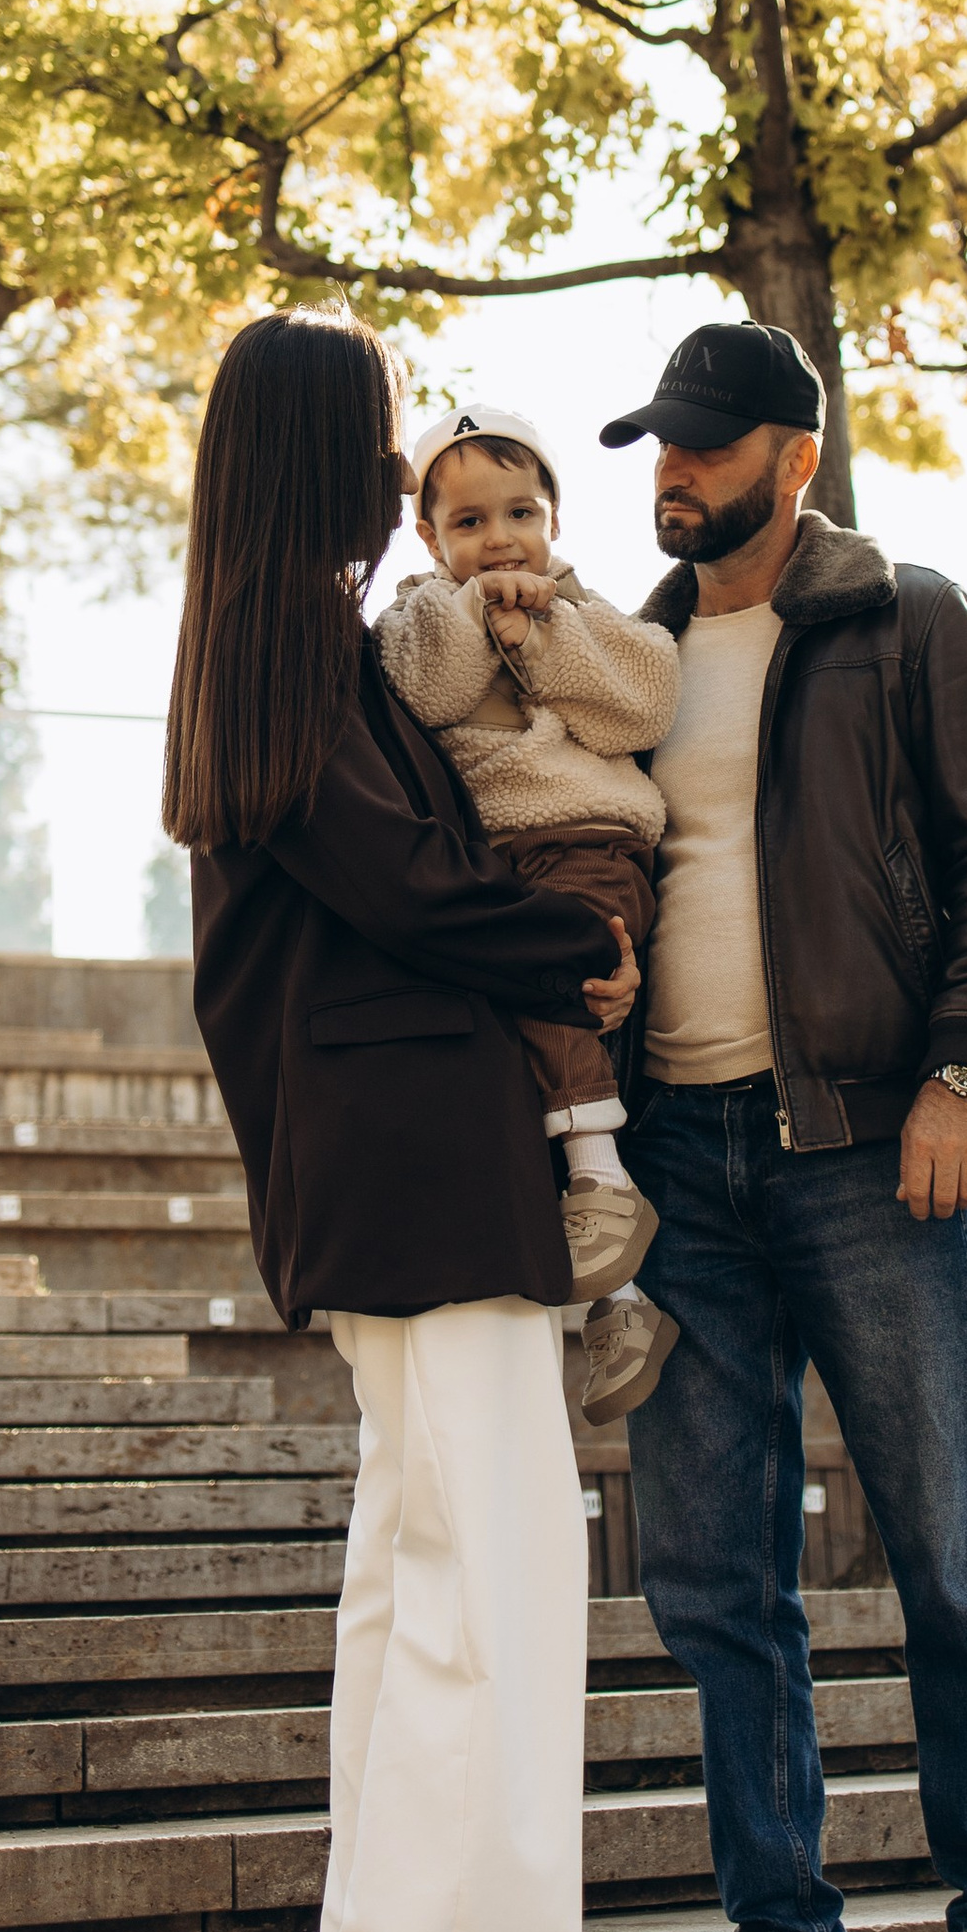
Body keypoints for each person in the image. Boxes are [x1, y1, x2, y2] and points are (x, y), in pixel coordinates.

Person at [167, 311, 639, 1932]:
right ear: (309, 451)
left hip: (396, 1164)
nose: (392, 473)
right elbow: (404, 881)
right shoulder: (289, 638)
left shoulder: (270, 639)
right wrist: (569, 951)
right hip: (414, 1162)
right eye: (367, 437)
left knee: (423, 1595)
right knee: (487, 1598)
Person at [599, 318, 967, 1932]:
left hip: (870, 1148)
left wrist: (965, 1069)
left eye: (708, 446)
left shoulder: (904, 621)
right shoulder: (624, 663)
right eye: (662, 443)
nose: (675, 472)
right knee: (718, 1581)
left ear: (794, 459)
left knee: (953, 1560)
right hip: (681, 1167)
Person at [372, 402, 684, 1427]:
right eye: (468, 524)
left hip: (591, 844)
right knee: (522, 1043)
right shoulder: (420, 617)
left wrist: (538, 626)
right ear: (429, 538)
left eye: (519, 515)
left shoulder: (589, 613)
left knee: (565, 989)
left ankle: (601, 1179)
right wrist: (477, 615)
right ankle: (620, 1304)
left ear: (553, 519)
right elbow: (423, 692)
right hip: (495, 863)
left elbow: (636, 707)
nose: (498, 540)